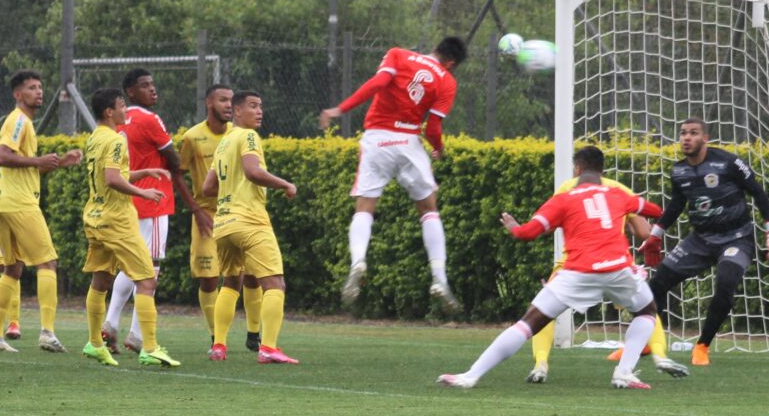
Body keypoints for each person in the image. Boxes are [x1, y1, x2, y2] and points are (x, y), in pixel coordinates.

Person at [438, 147, 664, 390]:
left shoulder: (565, 198)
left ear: (577, 169)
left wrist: (514, 227)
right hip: (618, 269)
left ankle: (471, 376)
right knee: (646, 312)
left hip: (579, 272)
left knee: (527, 324)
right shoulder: (618, 194)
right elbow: (657, 211)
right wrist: (649, 232)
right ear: (602, 171)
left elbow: (527, 233)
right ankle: (624, 373)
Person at [318, 37, 466, 312]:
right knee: (428, 209)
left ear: (435, 48)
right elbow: (433, 127)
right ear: (452, 63)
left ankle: (358, 261)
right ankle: (439, 278)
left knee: (365, 206)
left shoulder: (398, 55)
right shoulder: (446, 80)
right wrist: (438, 150)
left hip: (377, 138)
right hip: (409, 142)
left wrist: (340, 109)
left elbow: (376, 85)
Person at [639, 118, 769, 367]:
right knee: (656, 285)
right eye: (683, 133)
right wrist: (655, 235)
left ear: (705, 138)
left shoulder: (728, 162)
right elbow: (676, 205)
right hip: (700, 240)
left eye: (693, 133)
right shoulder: (678, 171)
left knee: (726, 283)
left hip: (736, 237)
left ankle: (702, 345)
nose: (686, 138)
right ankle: (645, 342)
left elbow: (758, 193)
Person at [528, 174, 688, 384]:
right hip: (615, 264)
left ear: (578, 168)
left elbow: (548, 223)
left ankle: (540, 364)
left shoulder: (568, 187)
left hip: (576, 264)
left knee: (543, 312)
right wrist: (624, 225)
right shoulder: (618, 189)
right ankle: (660, 355)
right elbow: (643, 231)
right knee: (646, 311)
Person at [101, 68, 202, 354]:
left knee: (131, 265)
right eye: (145, 86)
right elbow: (173, 158)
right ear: (130, 92)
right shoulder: (149, 118)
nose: (153, 90)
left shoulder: (117, 123)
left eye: (153, 85)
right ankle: (137, 334)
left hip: (128, 199)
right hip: (153, 199)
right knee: (150, 268)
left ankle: (109, 323)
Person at [80, 88, 179, 368]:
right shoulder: (115, 139)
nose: (126, 111)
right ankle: (149, 347)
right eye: (122, 105)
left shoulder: (95, 137)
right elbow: (113, 179)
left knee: (101, 280)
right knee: (147, 279)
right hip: (117, 219)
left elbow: (111, 175)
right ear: (109, 111)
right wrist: (143, 192)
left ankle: (95, 343)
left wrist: (145, 172)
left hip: (95, 216)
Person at [203, 90, 299, 364]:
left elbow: (208, 187)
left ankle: (219, 345)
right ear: (236, 111)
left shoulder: (224, 142)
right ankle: (268, 347)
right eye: (253, 106)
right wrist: (285, 184)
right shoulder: (248, 136)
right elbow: (253, 172)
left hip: (223, 223)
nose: (259, 111)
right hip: (250, 221)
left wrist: (230, 189)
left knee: (231, 282)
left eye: (261, 106)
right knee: (274, 283)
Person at [0, 70, 83, 353]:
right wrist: (39, 159)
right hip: (19, 203)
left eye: (41, 86)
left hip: (1, 202)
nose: (39, 91)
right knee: (47, 262)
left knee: (13, 267)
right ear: (18, 95)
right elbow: (2, 156)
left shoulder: (23, 122)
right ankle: (47, 332)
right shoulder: (19, 120)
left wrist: (59, 163)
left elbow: (24, 164)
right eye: (32, 87)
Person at [178, 84, 264, 351]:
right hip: (205, 214)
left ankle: (253, 334)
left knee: (250, 274)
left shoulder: (238, 136)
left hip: (238, 211)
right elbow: (178, 173)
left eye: (230, 100)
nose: (228, 105)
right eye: (222, 100)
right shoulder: (192, 137)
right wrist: (196, 210)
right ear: (208, 103)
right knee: (210, 278)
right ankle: (216, 336)